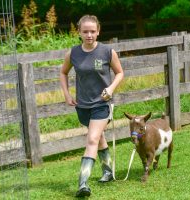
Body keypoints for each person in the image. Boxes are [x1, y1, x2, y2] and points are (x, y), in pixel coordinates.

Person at [60, 15, 124, 197]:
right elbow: (63, 73)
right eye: (85, 31)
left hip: (101, 105)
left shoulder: (107, 52)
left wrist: (110, 89)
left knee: (92, 139)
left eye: (93, 31)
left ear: (98, 31)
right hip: (82, 106)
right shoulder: (73, 53)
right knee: (99, 137)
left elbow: (119, 73)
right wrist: (66, 94)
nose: (89, 35)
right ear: (79, 32)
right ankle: (108, 171)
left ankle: (83, 184)